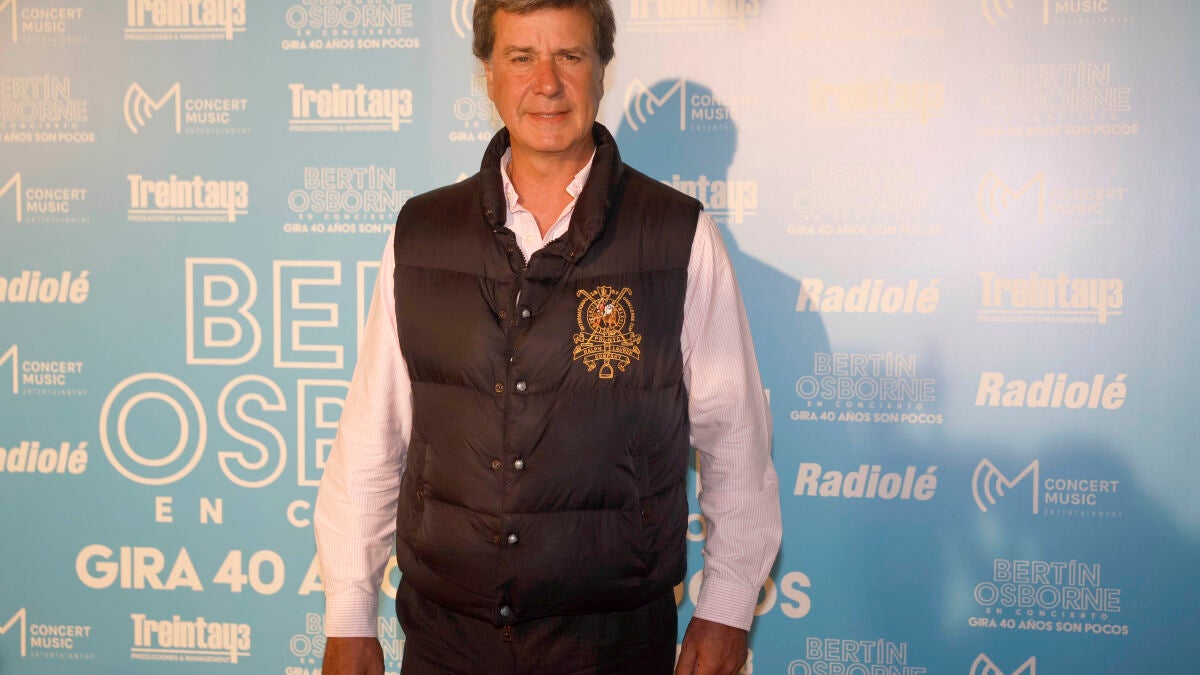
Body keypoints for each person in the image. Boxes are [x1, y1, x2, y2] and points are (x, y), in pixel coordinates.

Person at [314, 1, 781, 672]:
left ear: (602, 69)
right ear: (488, 73)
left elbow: (734, 436)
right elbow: (372, 434)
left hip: (613, 648)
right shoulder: (422, 233)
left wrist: (729, 606)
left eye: (569, 55)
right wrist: (349, 614)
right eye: (521, 57)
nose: (547, 83)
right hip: (447, 644)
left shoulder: (678, 236)